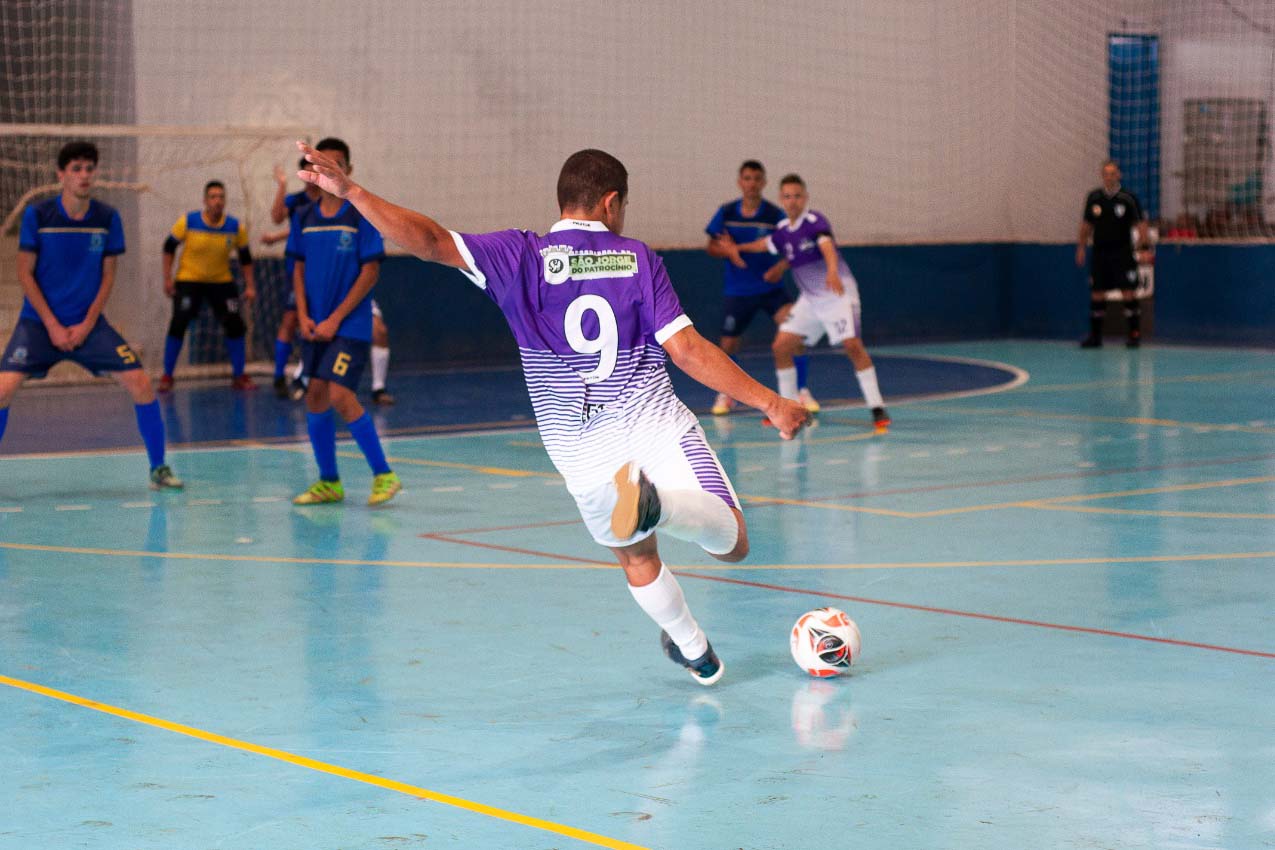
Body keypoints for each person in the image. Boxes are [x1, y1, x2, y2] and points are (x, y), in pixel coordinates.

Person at [295, 142, 808, 684]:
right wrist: (771, 402)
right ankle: (662, 508)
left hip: (581, 448)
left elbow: (428, 241)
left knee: (637, 557)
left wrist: (352, 192)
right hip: (656, 425)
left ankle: (696, 652)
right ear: (610, 203)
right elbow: (686, 350)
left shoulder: (519, 255)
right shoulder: (637, 258)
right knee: (733, 543)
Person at [0, 141, 182, 489]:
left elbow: (108, 275)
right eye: (76, 169)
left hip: (89, 326)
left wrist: (86, 324)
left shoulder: (107, 218)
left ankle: (159, 469)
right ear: (61, 175)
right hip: (39, 325)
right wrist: (53, 325)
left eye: (89, 168)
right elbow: (25, 273)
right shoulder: (38, 216)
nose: (84, 175)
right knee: (2, 389)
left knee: (141, 382)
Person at [286, 137, 401, 506]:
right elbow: (297, 269)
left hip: (349, 326)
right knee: (315, 396)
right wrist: (303, 315)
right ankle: (329, 482)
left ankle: (384, 474)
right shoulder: (304, 217)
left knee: (339, 393)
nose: (328, 169)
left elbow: (370, 272)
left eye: (336, 163)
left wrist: (336, 319)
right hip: (314, 325)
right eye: (322, 162)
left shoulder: (359, 215)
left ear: (347, 170)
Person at [737, 174, 889, 432]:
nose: (792, 201)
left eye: (797, 196)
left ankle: (877, 407)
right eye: (787, 196)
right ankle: (786, 407)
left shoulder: (814, 221)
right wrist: (737, 249)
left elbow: (827, 246)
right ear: (781, 199)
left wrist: (832, 271)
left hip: (837, 294)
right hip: (810, 301)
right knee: (781, 346)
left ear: (805, 198)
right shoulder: (783, 230)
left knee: (852, 345)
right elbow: (765, 244)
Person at [704, 161, 816, 415]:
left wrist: (781, 267)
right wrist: (729, 252)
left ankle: (801, 390)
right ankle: (726, 394)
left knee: (795, 334)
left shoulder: (775, 215)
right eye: (747, 178)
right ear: (740, 182)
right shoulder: (726, 212)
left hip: (771, 290)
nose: (752, 183)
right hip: (738, 291)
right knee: (728, 345)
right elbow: (711, 247)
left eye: (757, 179)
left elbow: (795, 246)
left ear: (764, 182)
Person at [158, 180, 257, 391]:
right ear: (205, 200)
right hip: (189, 280)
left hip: (221, 281)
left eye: (221, 197)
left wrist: (250, 286)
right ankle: (167, 376)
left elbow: (246, 258)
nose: (217, 201)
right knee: (179, 322)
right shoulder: (188, 221)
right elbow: (168, 247)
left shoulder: (235, 227)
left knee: (235, 324)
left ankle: (239, 375)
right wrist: (167, 278)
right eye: (213, 197)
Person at [263, 157, 321, 397]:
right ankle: (279, 376)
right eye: (307, 171)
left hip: (324, 270)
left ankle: (310, 375)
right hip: (297, 269)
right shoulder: (296, 201)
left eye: (314, 170)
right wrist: (282, 186)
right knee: (290, 319)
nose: (311, 176)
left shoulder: (330, 201)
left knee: (319, 321)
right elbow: (278, 217)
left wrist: (276, 238)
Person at [1075, 160, 1149, 348]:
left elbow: (1141, 225)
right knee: (1097, 293)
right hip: (1100, 253)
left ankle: (1134, 335)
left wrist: (1143, 248)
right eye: (1106, 174)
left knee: (1128, 292)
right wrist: (1081, 247)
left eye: (1113, 173)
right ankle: (1095, 337)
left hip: (1123, 252)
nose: (1109, 177)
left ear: (1119, 175)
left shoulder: (1128, 198)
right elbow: (1086, 225)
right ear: (1102, 175)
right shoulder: (1094, 197)